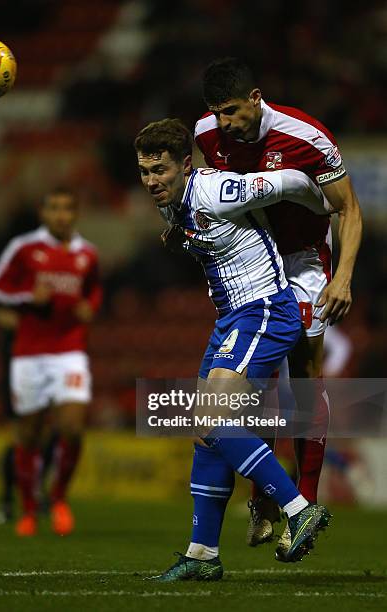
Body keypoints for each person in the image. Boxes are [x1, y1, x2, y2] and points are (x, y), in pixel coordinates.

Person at [134, 118, 332, 581]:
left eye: (159, 170)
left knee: (211, 418)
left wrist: (328, 207)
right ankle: (202, 554)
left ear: (185, 164)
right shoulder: (172, 202)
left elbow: (293, 181)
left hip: (265, 311)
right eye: (144, 172)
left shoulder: (220, 191)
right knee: (204, 432)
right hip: (231, 319)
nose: (151, 181)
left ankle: (299, 508)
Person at [195, 57, 362, 557]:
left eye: (231, 111)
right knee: (249, 382)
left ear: (255, 98)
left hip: (307, 262)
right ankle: (265, 499)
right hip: (251, 260)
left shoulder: (307, 137)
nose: (224, 123)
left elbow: (350, 210)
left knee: (305, 374)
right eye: (216, 114)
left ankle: (303, 502)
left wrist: (344, 278)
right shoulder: (205, 135)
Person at [0, 187, 102, 537]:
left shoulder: (88, 254)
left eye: (68, 209)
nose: (61, 215)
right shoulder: (24, 248)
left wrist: (89, 307)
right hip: (29, 354)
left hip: (69, 351)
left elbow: (93, 289)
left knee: (73, 428)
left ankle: (59, 497)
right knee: (29, 436)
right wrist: (25, 297)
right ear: (43, 213)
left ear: (76, 213)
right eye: (54, 208)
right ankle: (29, 510)